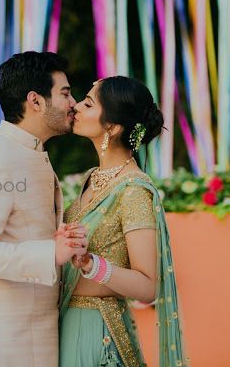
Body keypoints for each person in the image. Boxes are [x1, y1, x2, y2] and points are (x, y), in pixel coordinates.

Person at [0, 51, 88, 367]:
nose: (73, 103)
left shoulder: (31, 152)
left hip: (31, 339)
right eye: (65, 94)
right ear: (35, 101)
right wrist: (50, 252)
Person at [59, 76, 186, 367]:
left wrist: (92, 264)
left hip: (98, 331)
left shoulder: (133, 190)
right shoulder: (92, 178)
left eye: (88, 104)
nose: (76, 107)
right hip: (68, 322)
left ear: (112, 127)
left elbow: (148, 286)